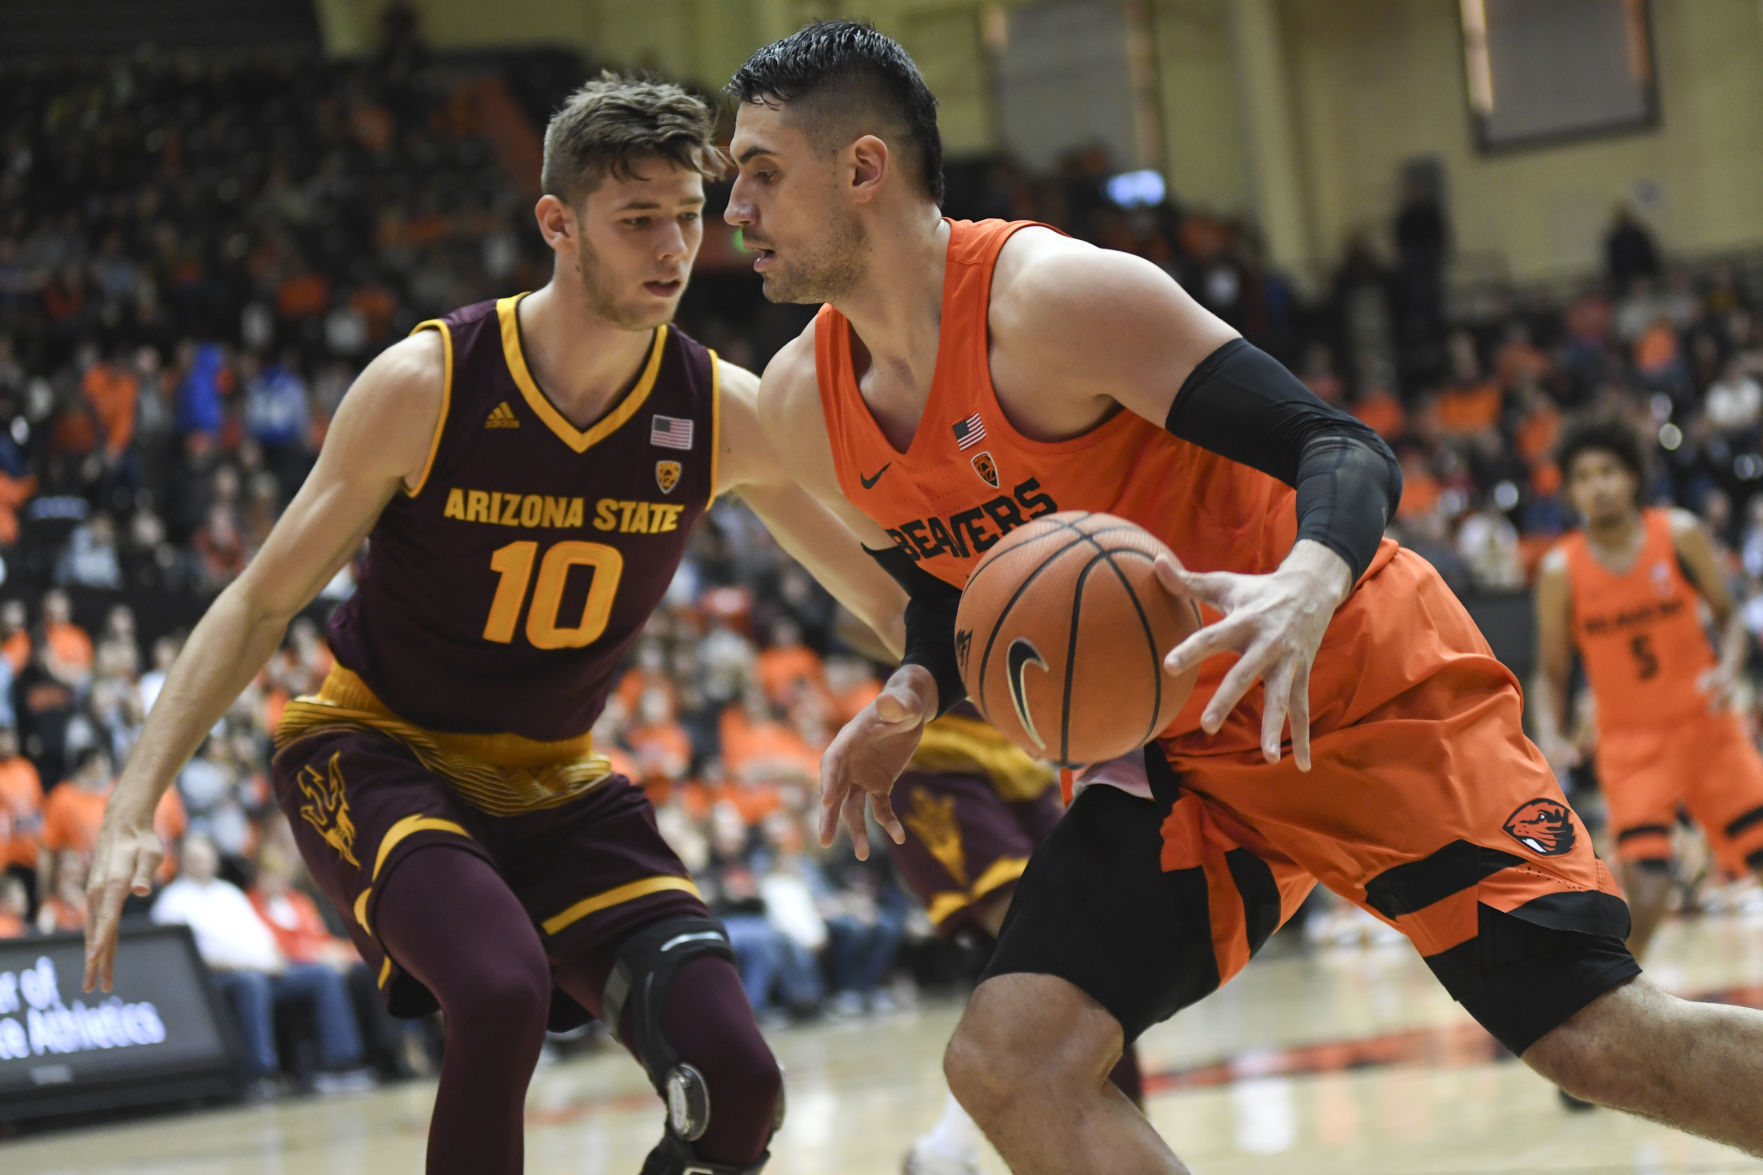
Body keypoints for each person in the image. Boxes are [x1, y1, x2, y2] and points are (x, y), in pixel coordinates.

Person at [722, 21, 1763, 1173]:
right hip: (1186, 749)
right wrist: (912, 688)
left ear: (862, 169)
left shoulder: (1053, 299)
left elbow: (1339, 445)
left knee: (1593, 1039)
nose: (735, 211)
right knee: (1010, 1057)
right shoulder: (800, 408)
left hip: (1354, 675)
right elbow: (945, 588)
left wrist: (1306, 583)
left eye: (761, 173)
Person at [85, 75, 904, 1175]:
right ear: (556, 224)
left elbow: (892, 593)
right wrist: (134, 800)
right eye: (636, 222)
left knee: (740, 1082)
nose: (672, 249)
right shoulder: (428, 380)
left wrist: (992, 680)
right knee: (499, 986)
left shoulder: (717, 405)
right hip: (374, 750)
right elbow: (258, 599)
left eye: (687, 217)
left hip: (556, 782)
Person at [1533, 417, 1763, 964]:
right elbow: (1551, 672)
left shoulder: (1678, 532)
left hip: (1708, 730)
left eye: (1609, 471)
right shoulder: (1560, 569)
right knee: (1648, 897)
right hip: (1631, 748)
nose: (1599, 485)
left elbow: (1730, 618)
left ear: (1633, 476)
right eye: (1584, 477)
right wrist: (1548, 733)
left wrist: (1729, 668)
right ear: (1570, 491)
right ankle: (1620, 1012)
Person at [888, 704, 1142, 1175]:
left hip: (1019, 739)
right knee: (1053, 944)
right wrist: (937, 652)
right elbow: (850, 626)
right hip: (935, 745)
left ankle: (947, 1150)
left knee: (1093, 930)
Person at [152, 833, 366, 1093]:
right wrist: (241, 966)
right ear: (182, 860)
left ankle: (340, 1064)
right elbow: (182, 957)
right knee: (251, 984)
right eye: (195, 857)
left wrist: (275, 959)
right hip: (220, 979)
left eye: (206, 856)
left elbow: (262, 937)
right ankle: (262, 1074)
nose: (202, 862)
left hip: (264, 970)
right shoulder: (172, 901)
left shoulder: (229, 893)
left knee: (323, 975)